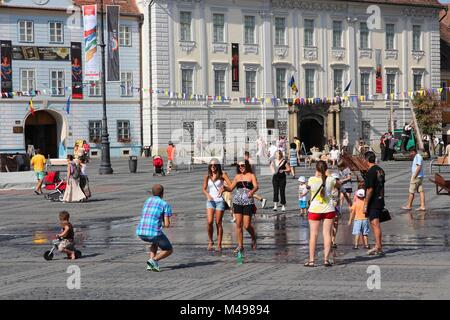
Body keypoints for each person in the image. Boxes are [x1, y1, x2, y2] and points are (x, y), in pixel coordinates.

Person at [304, 161, 338, 267]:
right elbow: (338, 184)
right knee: (327, 234)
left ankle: (312, 260)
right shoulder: (331, 179)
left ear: (316, 169)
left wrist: (317, 175)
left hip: (315, 210)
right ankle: (326, 260)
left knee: (313, 235)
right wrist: (328, 174)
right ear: (326, 169)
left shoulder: (311, 180)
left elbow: (307, 186)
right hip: (329, 210)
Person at [222, 160, 258, 253]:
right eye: (239, 166)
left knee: (246, 225)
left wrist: (252, 192)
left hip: (248, 202)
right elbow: (230, 188)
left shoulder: (251, 175)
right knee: (238, 225)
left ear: (246, 166)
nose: (241, 167)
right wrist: (224, 188)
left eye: (243, 165)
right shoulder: (237, 176)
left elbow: (256, 186)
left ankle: (254, 237)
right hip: (237, 202)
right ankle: (240, 245)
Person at [136, 184, 173, 272]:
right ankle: (153, 260)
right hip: (153, 233)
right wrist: (163, 224)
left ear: (152, 193)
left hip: (140, 231)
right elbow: (167, 224)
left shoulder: (147, 201)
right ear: (163, 193)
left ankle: (151, 265)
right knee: (168, 249)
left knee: (155, 242)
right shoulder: (164, 204)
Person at [202, 159, 232, 252]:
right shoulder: (207, 176)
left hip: (220, 201)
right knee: (209, 222)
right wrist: (207, 194)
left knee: (218, 222)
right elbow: (203, 189)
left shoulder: (223, 175)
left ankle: (219, 244)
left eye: (214, 165)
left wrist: (224, 188)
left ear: (218, 165)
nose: (212, 167)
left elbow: (231, 187)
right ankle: (211, 241)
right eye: (211, 165)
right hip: (210, 201)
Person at [364, 151, 386, 256]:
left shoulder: (371, 172)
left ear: (367, 160)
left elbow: (370, 189)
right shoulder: (380, 170)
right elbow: (382, 186)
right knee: (375, 223)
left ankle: (378, 246)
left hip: (373, 201)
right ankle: (378, 245)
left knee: (375, 224)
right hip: (380, 199)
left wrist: (365, 203)